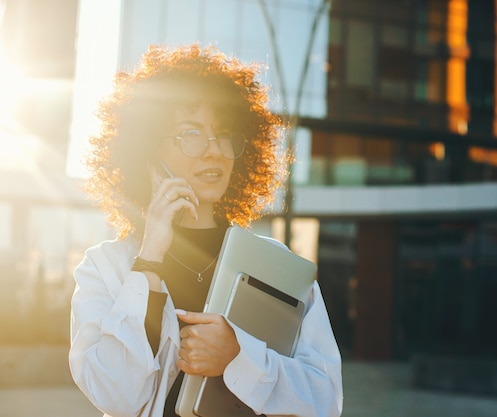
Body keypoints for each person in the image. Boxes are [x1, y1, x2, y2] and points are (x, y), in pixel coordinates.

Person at [68, 44, 343, 417]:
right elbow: (114, 396)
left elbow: (324, 399)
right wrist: (148, 261)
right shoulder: (105, 268)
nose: (213, 151)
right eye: (191, 134)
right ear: (149, 151)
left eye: (224, 135)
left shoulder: (279, 266)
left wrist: (237, 357)